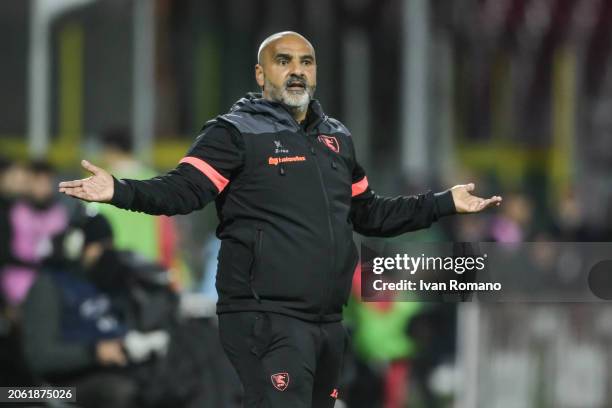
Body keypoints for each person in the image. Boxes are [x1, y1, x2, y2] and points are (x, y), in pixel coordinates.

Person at [59, 31, 502, 408]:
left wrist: (443, 202)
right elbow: (182, 190)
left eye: (306, 62)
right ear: (260, 74)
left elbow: (371, 214)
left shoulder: (337, 139)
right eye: (283, 60)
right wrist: (119, 189)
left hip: (328, 321)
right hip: (265, 317)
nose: (297, 70)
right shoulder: (234, 133)